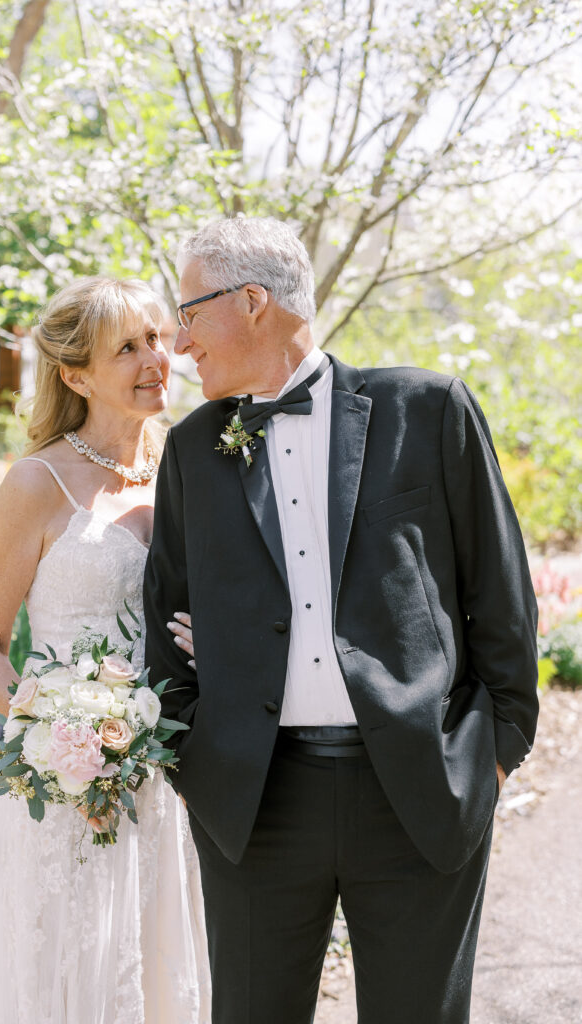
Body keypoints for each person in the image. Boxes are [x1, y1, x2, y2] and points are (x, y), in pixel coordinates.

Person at [143, 217, 539, 1024]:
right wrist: (196, 764)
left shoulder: (427, 409)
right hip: (255, 806)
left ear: (252, 300)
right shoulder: (192, 449)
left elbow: (501, 598)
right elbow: (164, 624)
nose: (179, 345)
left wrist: (492, 756)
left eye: (188, 313)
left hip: (418, 791)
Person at [0, 277, 211, 1024]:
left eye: (160, 339)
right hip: (67, 787)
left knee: (160, 951)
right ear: (75, 374)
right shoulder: (36, 484)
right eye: (127, 347)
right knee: (70, 963)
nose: (155, 359)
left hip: (171, 772)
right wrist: (54, 741)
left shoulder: (188, 471)